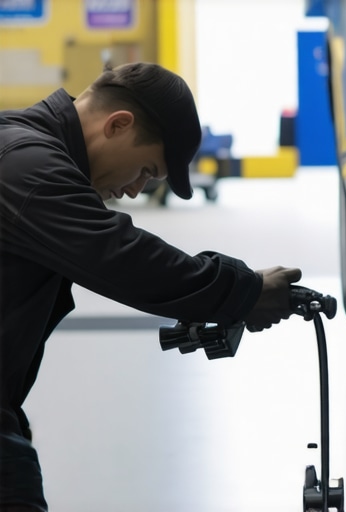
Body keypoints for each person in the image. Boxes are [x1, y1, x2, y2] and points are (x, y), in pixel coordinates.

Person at [0, 62, 302, 511]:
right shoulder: (29, 165)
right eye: (145, 169)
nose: (135, 190)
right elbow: (121, 258)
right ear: (118, 125)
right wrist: (245, 290)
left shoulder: (22, 146)